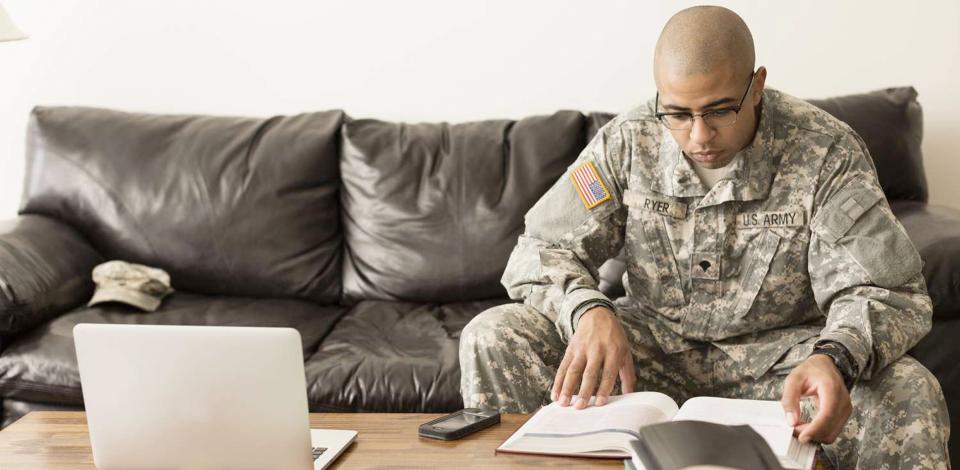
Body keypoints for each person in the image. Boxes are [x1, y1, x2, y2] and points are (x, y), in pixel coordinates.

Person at [459, 5, 949, 468]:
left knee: (908, 390)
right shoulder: (627, 142)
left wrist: (835, 358)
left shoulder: (825, 152)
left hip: (779, 366)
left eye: (719, 110)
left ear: (756, 86)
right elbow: (540, 248)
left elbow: (887, 290)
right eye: (677, 113)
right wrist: (588, 310)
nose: (698, 136)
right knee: (494, 334)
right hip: (646, 354)